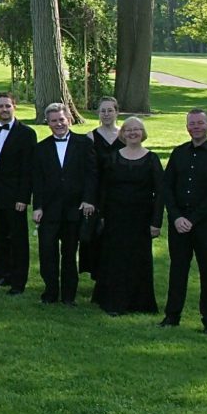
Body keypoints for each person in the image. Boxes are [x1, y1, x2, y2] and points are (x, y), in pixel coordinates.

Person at [159, 109, 207, 337]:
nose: (196, 127)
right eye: (192, 123)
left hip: (205, 223)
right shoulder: (179, 153)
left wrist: (192, 219)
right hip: (179, 222)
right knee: (177, 270)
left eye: (200, 123)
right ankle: (172, 317)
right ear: (187, 127)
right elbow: (166, 187)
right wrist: (176, 216)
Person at [92, 117, 163, 316]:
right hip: (115, 217)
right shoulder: (113, 158)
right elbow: (104, 190)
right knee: (115, 258)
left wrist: (156, 222)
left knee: (138, 258)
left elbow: (160, 193)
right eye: (129, 130)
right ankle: (113, 301)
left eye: (137, 129)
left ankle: (140, 302)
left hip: (141, 218)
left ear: (143, 133)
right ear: (122, 133)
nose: (133, 133)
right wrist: (102, 216)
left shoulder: (152, 159)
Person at [31, 103, 97, 306]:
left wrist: (88, 199)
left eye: (61, 119)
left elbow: (91, 174)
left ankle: (69, 295)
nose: (58, 123)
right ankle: (50, 292)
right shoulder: (41, 148)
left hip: (74, 208)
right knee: (47, 252)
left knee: (69, 253)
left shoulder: (84, 143)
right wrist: (38, 207)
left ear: (69, 119)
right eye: (54, 121)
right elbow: (38, 180)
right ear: (48, 123)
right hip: (50, 209)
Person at [0, 92, 38, 295]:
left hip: (15, 196)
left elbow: (28, 169)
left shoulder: (26, 133)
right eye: (1, 106)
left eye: (8, 106)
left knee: (17, 240)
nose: (4, 109)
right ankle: (2, 275)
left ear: (14, 107)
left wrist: (23, 198)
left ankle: (18, 282)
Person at [82, 96, 123, 279]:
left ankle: (115, 273)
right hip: (98, 192)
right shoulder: (91, 137)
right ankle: (98, 274)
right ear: (98, 114)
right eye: (103, 111)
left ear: (117, 112)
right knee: (96, 234)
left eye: (110, 110)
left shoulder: (126, 134)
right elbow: (88, 170)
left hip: (120, 191)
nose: (106, 114)